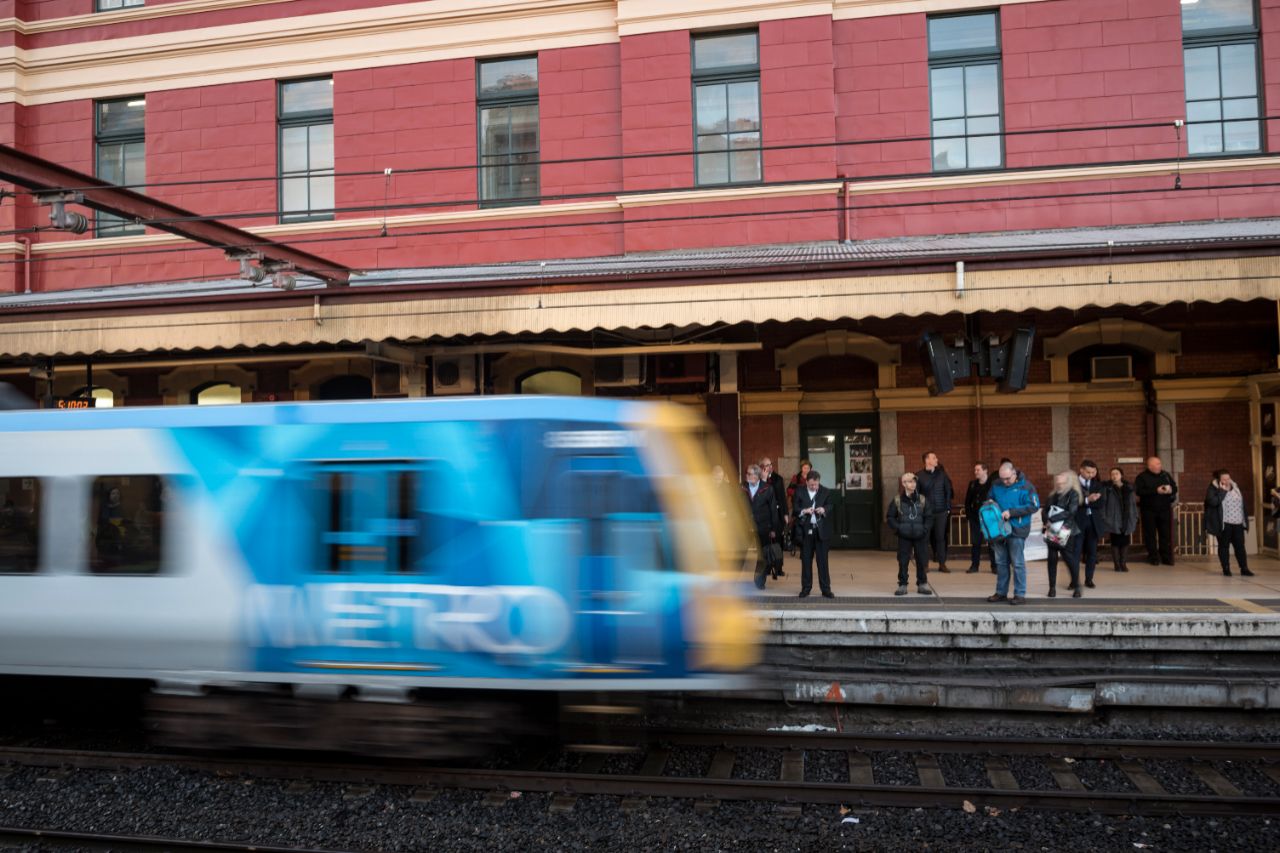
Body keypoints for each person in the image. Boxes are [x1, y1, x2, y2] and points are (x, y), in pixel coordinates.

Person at [987, 461, 1039, 606]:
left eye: (1008, 479)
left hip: (1017, 529)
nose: (1005, 482)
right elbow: (989, 499)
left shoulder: (1026, 486)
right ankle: (1001, 592)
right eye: (1002, 479)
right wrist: (990, 505)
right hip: (998, 530)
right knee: (1001, 563)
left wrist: (1012, 512)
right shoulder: (996, 484)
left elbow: (1034, 506)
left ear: (1014, 474)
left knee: (1017, 563)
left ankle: (1019, 594)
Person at [887, 472, 932, 596]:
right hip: (904, 536)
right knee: (903, 560)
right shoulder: (897, 500)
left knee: (922, 559)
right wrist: (899, 529)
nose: (913, 484)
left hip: (920, 535)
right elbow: (890, 517)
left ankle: (922, 583)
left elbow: (929, 517)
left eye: (914, 481)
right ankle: (902, 584)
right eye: (910, 481)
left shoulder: (922, 499)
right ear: (904, 484)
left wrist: (924, 530)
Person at [1204, 469, 1254, 577]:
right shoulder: (1213, 488)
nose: (1227, 481)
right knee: (1224, 546)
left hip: (1238, 522)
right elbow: (1212, 502)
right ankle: (1226, 568)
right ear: (1219, 479)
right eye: (1224, 479)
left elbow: (1241, 503)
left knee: (1240, 546)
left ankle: (1244, 568)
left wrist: (1244, 520)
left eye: (1228, 478)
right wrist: (1222, 491)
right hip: (1224, 523)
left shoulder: (1235, 486)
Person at [792, 469, 834, 599]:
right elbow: (795, 509)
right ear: (806, 482)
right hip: (805, 531)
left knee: (822, 562)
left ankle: (826, 589)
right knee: (806, 561)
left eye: (816, 484)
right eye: (811, 485)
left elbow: (831, 505)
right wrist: (804, 511)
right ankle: (806, 588)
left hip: (820, 531)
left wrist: (824, 509)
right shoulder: (799, 491)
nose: (814, 487)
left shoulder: (825, 491)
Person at [1042, 471, 1083, 598]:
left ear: (1068, 481)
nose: (1059, 481)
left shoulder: (1073, 494)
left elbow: (1071, 512)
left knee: (1069, 559)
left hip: (1066, 530)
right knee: (1052, 559)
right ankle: (1052, 588)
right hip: (1052, 529)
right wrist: (1045, 520)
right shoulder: (1053, 494)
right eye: (1058, 478)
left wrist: (1052, 519)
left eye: (1062, 478)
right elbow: (1045, 510)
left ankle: (1077, 586)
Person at [1135, 456, 1178, 565]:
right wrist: (1156, 490)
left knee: (1165, 534)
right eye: (1157, 464)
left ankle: (1165, 556)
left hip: (1164, 509)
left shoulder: (1165, 475)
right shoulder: (1142, 477)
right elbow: (1139, 491)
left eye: (1160, 463)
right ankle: (1153, 557)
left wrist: (1170, 490)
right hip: (1148, 510)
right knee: (1150, 534)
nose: (1160, 466)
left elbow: (1175, 487)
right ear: (1150, 466)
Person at [742, 464, 780, 588]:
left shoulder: (767, 489)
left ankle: (759, 582)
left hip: (763, 528)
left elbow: (773, 510)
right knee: (741, 554)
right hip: (745, 528)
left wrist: (774, 529)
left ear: (757, 476)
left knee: (762, 556)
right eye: (747, 473)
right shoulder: (742, 488)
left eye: (749, 474)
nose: (747, 476)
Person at [915, 451, 954, 573]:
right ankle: (925, 565)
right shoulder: (919, 475)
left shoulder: (942, 475)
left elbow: (948, 491)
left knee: (940, 538)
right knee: (924, 539)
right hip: (926, 513)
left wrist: (948, 508)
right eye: (934, 458)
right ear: (927, 460)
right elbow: (916, 495)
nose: (937, 459)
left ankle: (942, 564)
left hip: (941, 512)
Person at [1099, 467, 1138, 573]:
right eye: (1112, 474)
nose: (1114, 476)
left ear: (1121, 475)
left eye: (1116, 473)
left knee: (1125, 541)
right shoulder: (1107, 488)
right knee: (1115, 542)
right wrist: (1104, 517)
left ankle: (1123, 563)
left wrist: (1134, 516)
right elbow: (1103, 504)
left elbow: (1133, 504)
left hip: (1126, 518)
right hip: (1113, 518)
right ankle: (1116, 564)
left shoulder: (1129, 488)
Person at [963, 462, 996, 574]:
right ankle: (974, 565)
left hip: (990, 519)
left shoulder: (993, 484)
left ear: (985, 470)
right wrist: (969, 515)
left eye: (978, 470)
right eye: (975, 470)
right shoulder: (972, 484)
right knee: (975, 542)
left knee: (992, 542)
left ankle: (994, 566)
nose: (976, 472)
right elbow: (967, 501)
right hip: (975, 518)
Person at [1076, 460, 1104, 588]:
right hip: (1077, 522)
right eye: (1088, 472)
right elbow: (1071, 503)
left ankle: (1089, 579)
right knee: (1075, 552)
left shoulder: (1097, 484)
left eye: (1093, 472)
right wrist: (1088, 500)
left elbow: (1101, 503)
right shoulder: (1072, 484)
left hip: (1093, 522)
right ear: (1081, 470)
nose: (1090, 475)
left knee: (1092, 553)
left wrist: (1088, 502)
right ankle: (1074, 580)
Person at [760, 458, 789, 575]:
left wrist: (786, 513)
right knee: (765, 542)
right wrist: (763, 479)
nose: (769, 467)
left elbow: (782, 497)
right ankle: (766, 567)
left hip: (777, 514)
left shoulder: (778, 479)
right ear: (762, 467)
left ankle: (778, 567)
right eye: (766, 465)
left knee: (778, 541)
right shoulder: (759, 479)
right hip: (764, 515)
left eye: (770, 464)